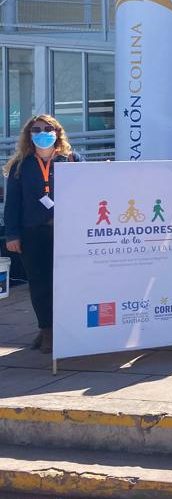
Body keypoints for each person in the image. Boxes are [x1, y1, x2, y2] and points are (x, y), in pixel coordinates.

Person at [3, 115, 81, 353]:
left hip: (66, 233)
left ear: (58, 132)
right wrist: (12, 235)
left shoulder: (71, 159)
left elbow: (90, 186)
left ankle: (65, 327)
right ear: (29, 135)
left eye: (48, 128)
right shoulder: (20, 165)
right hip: (32, 233)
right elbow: (13, 204)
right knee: (39, 283)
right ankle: (47, 331)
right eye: (36, 129)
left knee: (66, 283)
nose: (43, 133)